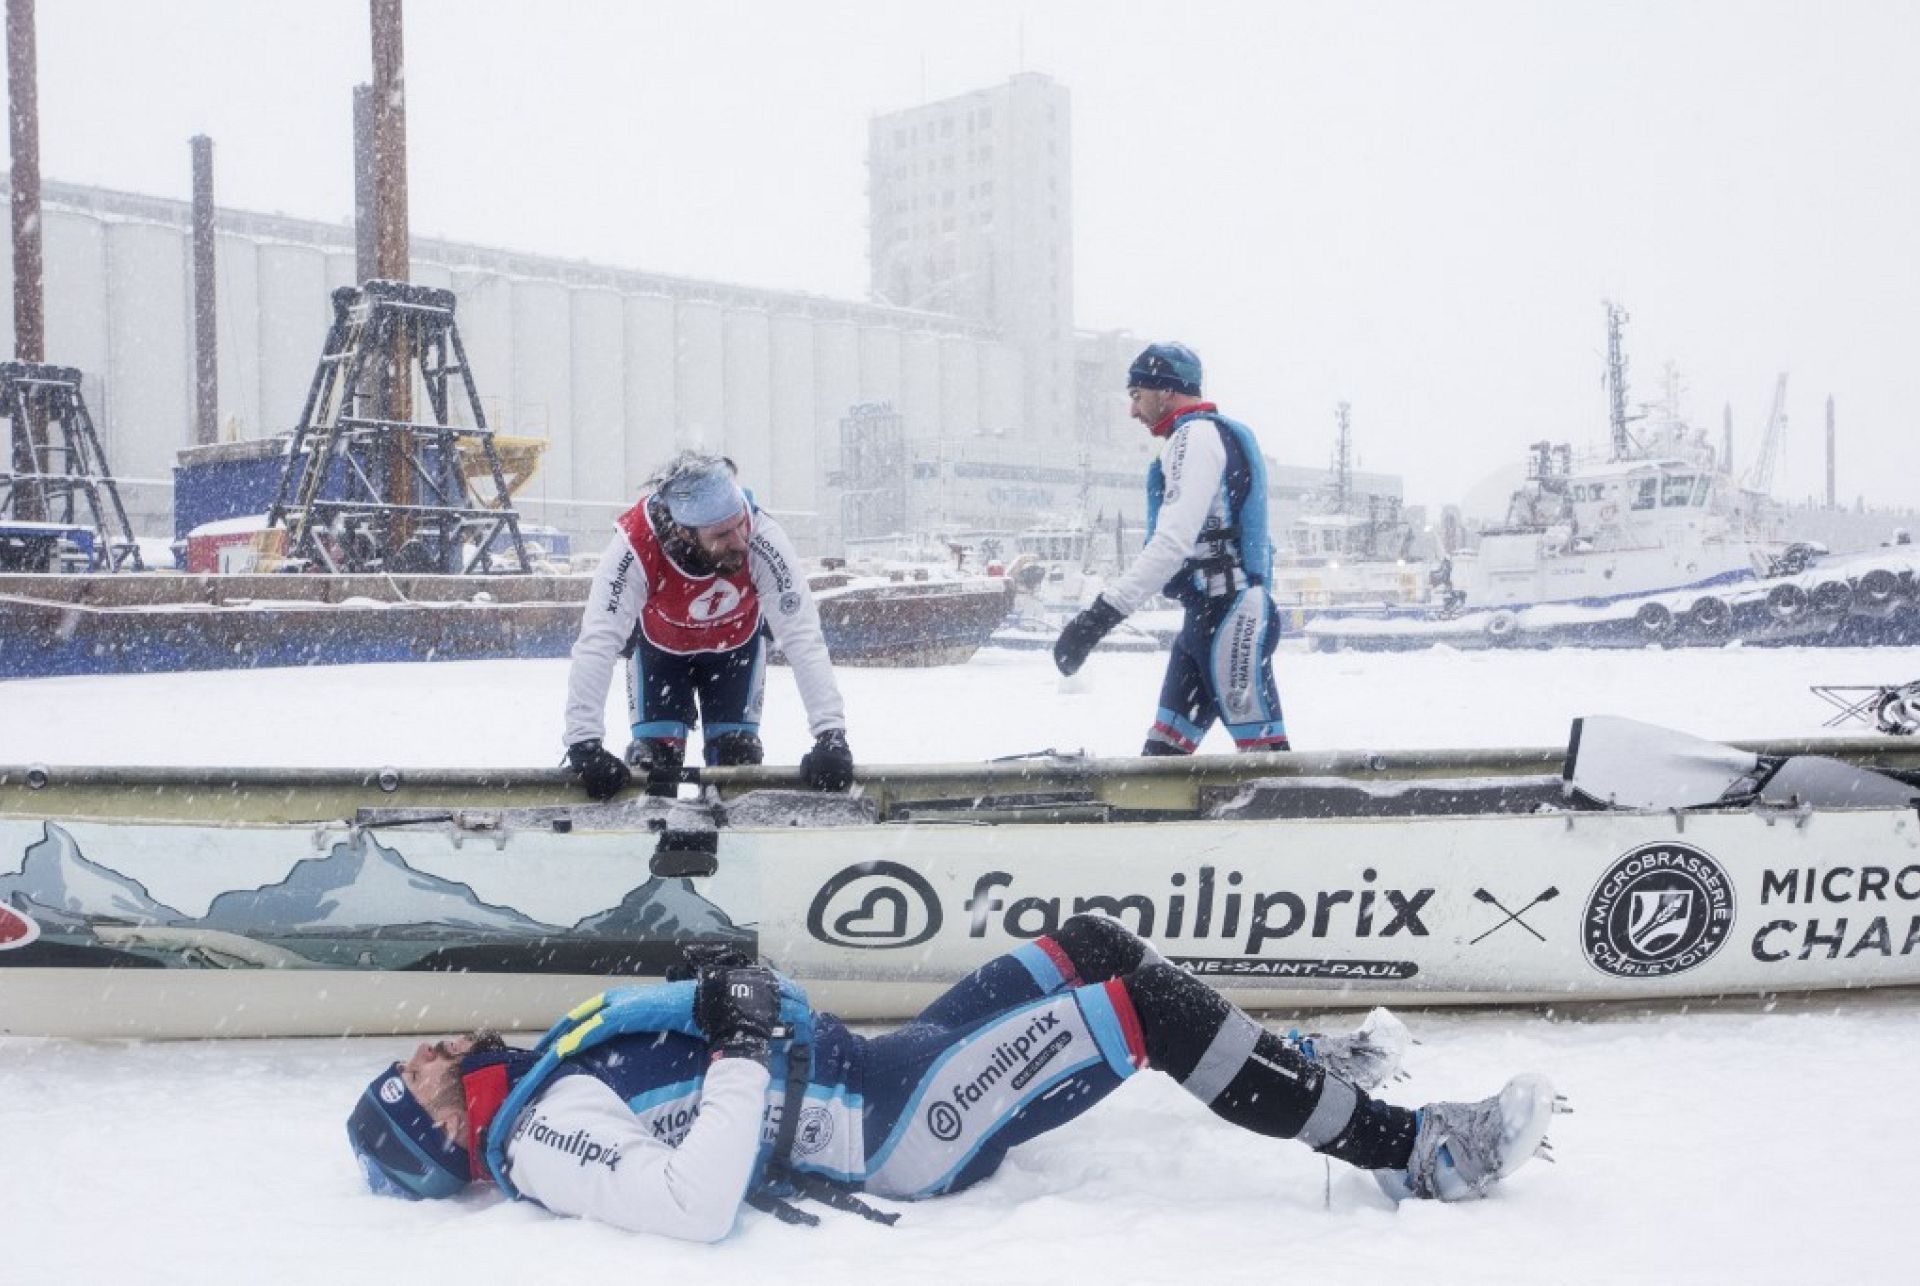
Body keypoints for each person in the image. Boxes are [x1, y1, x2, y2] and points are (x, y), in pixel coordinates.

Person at [347, 915, 1565, 1240]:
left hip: (878, 1063)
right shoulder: (542, 1136)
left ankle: (1291, 1070)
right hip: (891, 1130)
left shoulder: (543, 1076)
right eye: (427, 1068)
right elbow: (689, 1200)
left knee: (1090, 940)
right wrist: (733, 1035)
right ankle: (1416, 1148)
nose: (440, 1043)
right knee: (1132, 1010)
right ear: (444, 1126)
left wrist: (730, 1010)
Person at [562, 452, 855, 799]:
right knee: (655, 765)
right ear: (684, 533)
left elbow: (802, 635)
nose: (739, 541)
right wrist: (584, 743)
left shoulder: (762, 537)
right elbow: (597, 641)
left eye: (739, 525)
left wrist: (830, 735)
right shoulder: (635, 546)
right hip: (661, 654)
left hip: (734, 653)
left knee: (737, 763)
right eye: (722, 535)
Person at [1053, 342, 1290, 755]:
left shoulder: (1194, 437)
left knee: (1266, 763)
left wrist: (1097, 618)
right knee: (1162, 761)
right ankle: (1149, 815)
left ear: (1165, 390)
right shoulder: (1205, 437)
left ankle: (1297, 815)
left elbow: (1171, 543)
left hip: (1229, 617)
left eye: (1136, 395)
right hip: (1209, 617)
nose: (1132, 411)